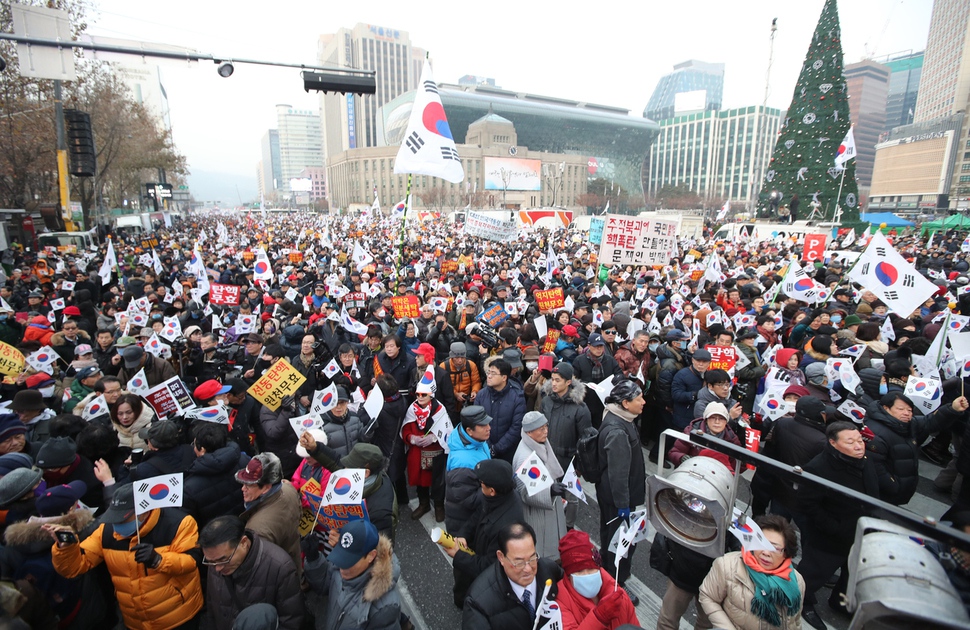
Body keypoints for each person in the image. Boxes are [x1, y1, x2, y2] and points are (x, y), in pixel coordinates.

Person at [47, 482, 204, 630]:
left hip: (179, 617)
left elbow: (191, 561)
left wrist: (159, 560)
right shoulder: (106, 531)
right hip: (134, 621)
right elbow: (74, 568)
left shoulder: (179, 523)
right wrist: (66, 548)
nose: (116, 524)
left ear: (143, 512)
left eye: (123, 519)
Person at [796, 422, 879, 630]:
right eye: (850, 442)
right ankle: (802, 603)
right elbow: (807, 505)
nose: (858, 446)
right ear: (833, 443)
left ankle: (840, 601)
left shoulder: (865, 460)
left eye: (860, 440)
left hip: (860, 531)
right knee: (812, 575)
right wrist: (834, 527)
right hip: (830, 538)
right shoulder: (818, 468)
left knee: (851, 573)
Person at [699, 514, 805, 630]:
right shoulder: (727, 565)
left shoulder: (797, 581)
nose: (766, 552)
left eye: (774, 548)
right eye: (761, 544)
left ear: (786, 552)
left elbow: (795, 620)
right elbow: (708, 596)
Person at [199, 515, 304, 630]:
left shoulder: (280, 567)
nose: (218, 568)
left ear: (243, 543)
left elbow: (290, 621)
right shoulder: (215, 562)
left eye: (224, 560)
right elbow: (212, 610)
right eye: (210, 562)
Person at [866, 391, 969, 505]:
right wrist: (894, 486)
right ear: (886, 408)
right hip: (883, 494)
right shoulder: (875, 433)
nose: (906, 413)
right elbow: (875, 468)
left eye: (910, 410)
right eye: (901, 409)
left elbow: (929, 422)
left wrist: (952, 409)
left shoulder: (905, 424)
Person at [447, 459, 525, 608]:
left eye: (482, 485)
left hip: (486, 585)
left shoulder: (505, 526)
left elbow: (488, 566)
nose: (480, 487)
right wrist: (464, 534)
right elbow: (477, 515)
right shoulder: (500, 497)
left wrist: (459, 556)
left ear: (492, 490)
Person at [596, 379, 646, 605]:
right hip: (617, 498)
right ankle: (616, 584)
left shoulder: (620, 417)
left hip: (613, 495)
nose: (643, 402)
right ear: (625, 403)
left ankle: (608, 575)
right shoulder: (617, 430)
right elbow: (618, 473)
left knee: (610, 538)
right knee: (620, 543)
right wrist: (623, 505)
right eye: (639, 399)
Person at [303, 518, 402, 630]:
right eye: (341, 557)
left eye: (350, 561)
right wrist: (314, 560)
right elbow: (325, 583)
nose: (342, 567)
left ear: (371, 556)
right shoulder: (343, 566)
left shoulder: (385, 609)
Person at [461, 522, 563, 630]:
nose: (528, 569)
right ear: (501, 557)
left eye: (532, 558)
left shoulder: (549, 569)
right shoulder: (478, 603)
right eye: (519, 563)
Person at [298, 436, 398, 542]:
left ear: (366, 473)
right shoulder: (359, 474)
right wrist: (315, 448)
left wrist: (344, 543)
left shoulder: (381, 510)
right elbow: (336, 462)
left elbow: (380, 550)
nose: (344, 469)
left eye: (349, 466)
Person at [235, 453, 303, 580]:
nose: (243, 489)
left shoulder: (257, 529)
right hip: (294, 564)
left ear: (266, 487)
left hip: (280, 581)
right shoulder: (288, 488)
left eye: (249, 485)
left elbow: (261, 570)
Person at [555, 529, 640, 630]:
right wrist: (599, 617)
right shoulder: (559, 603)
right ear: (569, 576)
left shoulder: (618, 594)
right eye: (579, 571)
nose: (586, 575)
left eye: (591, 569)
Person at [511, 411, 566, 561]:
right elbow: (526, 493)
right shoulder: (524, 456)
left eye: (546, 426)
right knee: (543, 551)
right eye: (541, 429)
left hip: (549, 506)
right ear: (529, 432)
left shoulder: (539, 443)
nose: (546, 431)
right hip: (537, 513)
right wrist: (550, 492)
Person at [182, 423, 250, 530]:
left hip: (217, 536)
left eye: (194, 444)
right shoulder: (245, 460)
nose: (193, 448)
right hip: (245, 523)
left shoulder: (189, 488)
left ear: (202, 450)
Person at [401, 377, 451, 522]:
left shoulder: (440, 410)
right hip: (417, 452)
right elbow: (405, 429)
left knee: (438, 482)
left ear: (431, 395)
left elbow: (447, 430)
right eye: (418, 394)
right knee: (419, 480)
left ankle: (439, 506)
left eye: (424, 395)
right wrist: (412, 438)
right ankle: (424, 504)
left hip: (436, 453)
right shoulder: (412, 409)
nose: (420, 397)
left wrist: (434, 437)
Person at [445, 405, 492, 535]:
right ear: (469, 431)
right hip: (465, 526)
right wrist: (495, 488)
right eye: (483, 426)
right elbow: (468, 499)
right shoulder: (462, 462)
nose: (489, 428)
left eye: (488, 423)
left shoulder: (477, 440)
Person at [478, 358, 527, 463]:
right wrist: (488, 446)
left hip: (509, 452)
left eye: (493, 373)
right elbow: (477, 422)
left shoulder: (517, 397)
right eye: (488, 372)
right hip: (483, 449)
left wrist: (497, 448)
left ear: (504, 377)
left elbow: (516, 427)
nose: (489, 376)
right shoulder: (481, 395)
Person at [669, 402, 743, 469]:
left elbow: (737, 467)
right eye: (713, 418)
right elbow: (674, 452)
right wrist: (682, 458)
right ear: (706, 419)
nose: (717, 422)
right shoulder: (691, 431)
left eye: (721, 418)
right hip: (690, 471)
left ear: (726, 421)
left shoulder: (731, 438)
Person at [670, 349, 711, 431]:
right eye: (698, 361)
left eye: (704, 361)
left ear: (709, 363)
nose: (701, 364)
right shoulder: (682, 374)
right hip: (684, 418)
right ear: (692, 360)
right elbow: (676, 394)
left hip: (703, 419)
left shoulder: (711, 376)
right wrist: (694, 395)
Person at [440, 341, 482, 413]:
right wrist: (455, 394)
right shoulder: (444, 366)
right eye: (457, 357)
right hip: (450, 404)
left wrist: (474, 391)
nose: (460, 360)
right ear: (452, 357)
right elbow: (442, 388)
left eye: (462, 357)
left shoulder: (471, 365)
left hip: (467, 402)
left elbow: (476, 382)